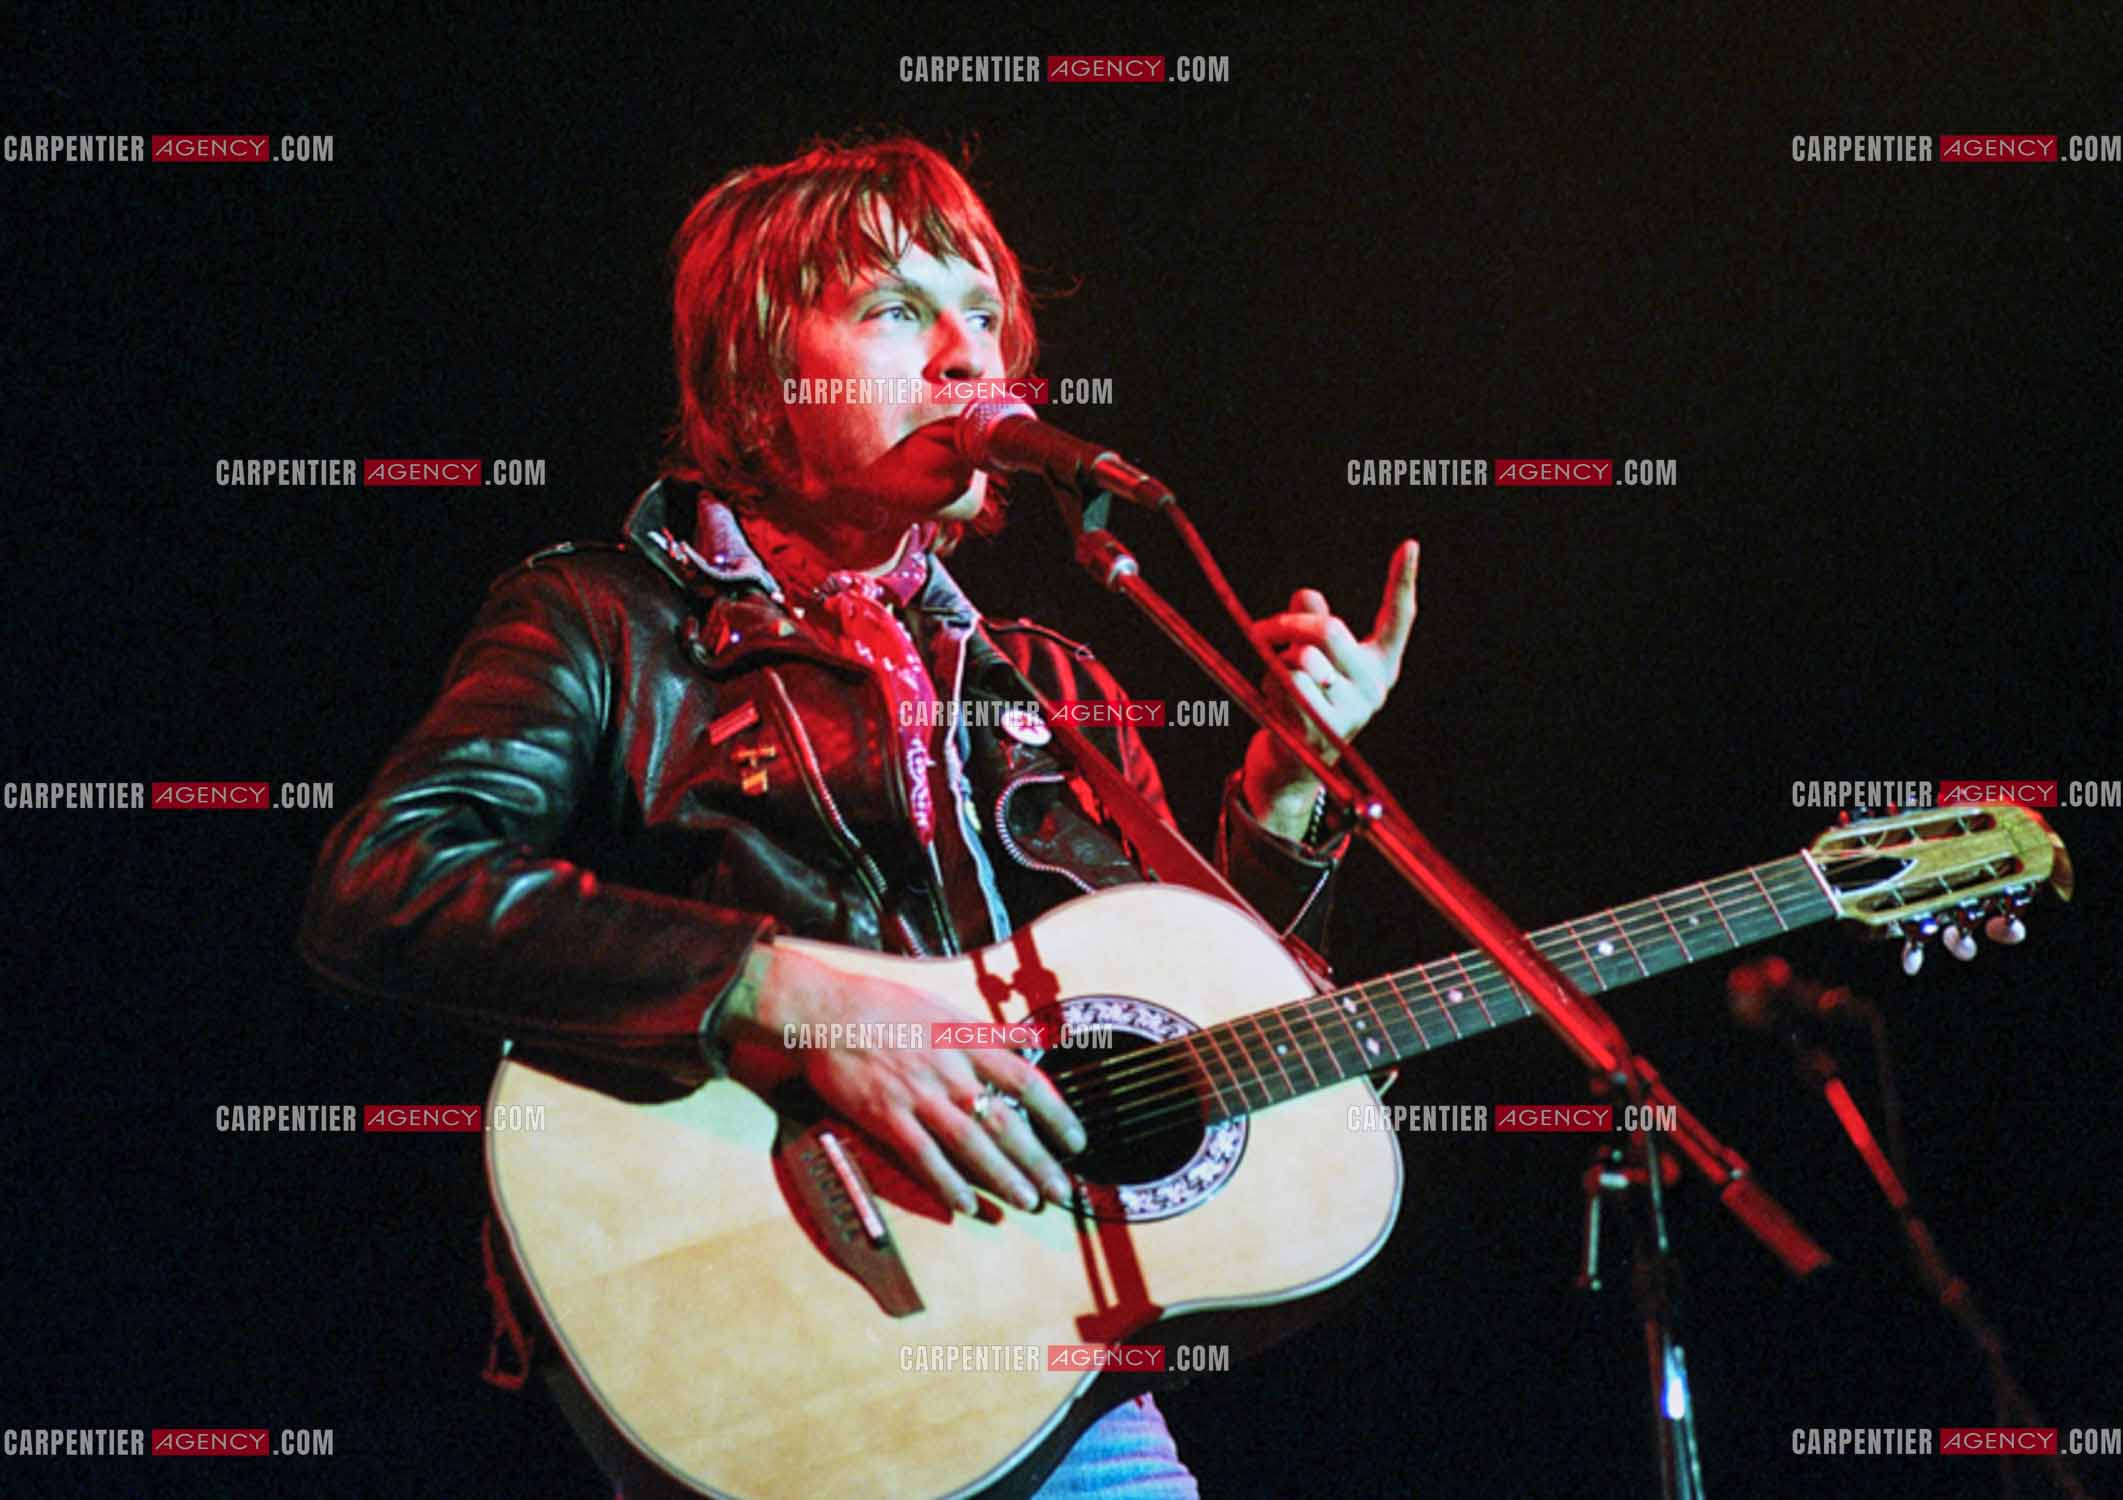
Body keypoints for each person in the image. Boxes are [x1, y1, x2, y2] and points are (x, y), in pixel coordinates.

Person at [299, 133, 1419, 1498]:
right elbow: (388, 882)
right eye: (896, 310)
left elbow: (1204, 1032)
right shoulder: (605, 622)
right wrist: (786, 993)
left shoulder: (1051, 686)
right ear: (758, 377)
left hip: (1053, 1363)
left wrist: (1286, 794)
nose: (964, 356)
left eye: (982, 317)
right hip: (774, 1329)